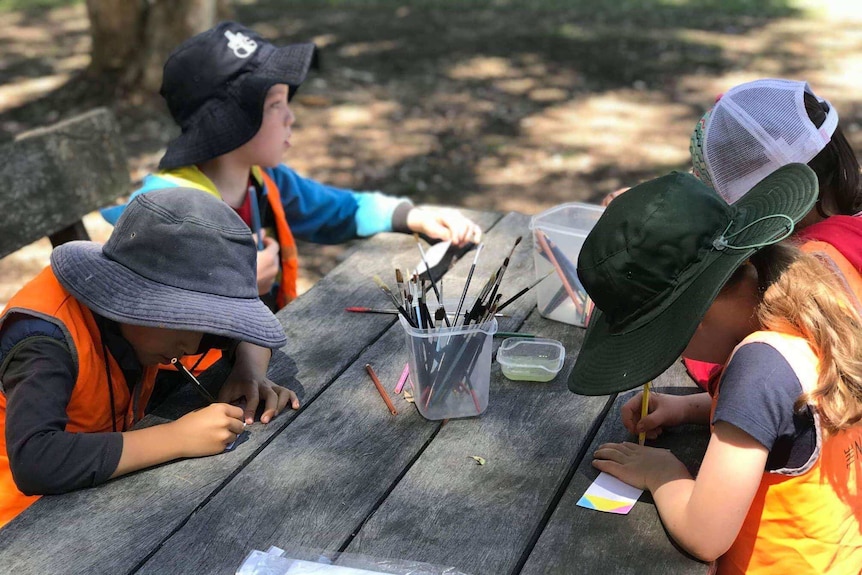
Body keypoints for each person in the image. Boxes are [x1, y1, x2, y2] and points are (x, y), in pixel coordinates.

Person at [568, 164, 862, 573]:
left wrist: (661, 473)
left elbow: (706, 535)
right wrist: (689, 408)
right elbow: (790, 418)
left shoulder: (757, 370)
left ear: (694, 318)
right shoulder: (803, 310)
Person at [0, 189, 299, 528]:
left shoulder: (163, 327)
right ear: (132, 297)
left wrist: (250, 372)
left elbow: (248, 333)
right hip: (24, 524)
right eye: (185, 321)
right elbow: (35, 462)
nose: (193, 344)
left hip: (104, 500)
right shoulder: (43, 340)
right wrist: (178, 438)